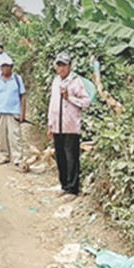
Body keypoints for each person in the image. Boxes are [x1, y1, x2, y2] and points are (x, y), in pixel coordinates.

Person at [47, 52, 91, 197]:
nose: (61, 68)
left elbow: (86, 102)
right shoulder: (55, 81)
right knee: (60, 156)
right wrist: (50, 124)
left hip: (71, 126)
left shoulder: (76, 82)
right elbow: (52, 103)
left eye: (64, 65)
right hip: (57, 126)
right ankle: (64, 185)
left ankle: (73, 188)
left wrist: (69, 97)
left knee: (71, 157)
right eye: (59, 65)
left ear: (69, 66)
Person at [0, 53, 26, 166]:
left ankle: (17, 158)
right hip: (0, 111)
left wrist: (22, 113)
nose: (5, 68)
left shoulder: (17, 79)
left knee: (15, 136)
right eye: (3, 66)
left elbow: (23, 96)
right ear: (0, 68)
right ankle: (5, 156)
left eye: (8, 66)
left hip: (14, 111)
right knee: (2, 136)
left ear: (11, 67)